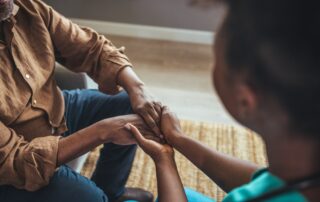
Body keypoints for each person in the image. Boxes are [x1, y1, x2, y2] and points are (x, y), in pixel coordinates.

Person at [126, 0, 320, 201]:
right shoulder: (300, 167)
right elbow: (264, 181)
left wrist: (163, 160)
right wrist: (178, 138)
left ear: (245, 100)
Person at [0, 0, 162, 202]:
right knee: (90, 197)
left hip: (55, 113)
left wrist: (138, 88)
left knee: (128, 102)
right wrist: (102, 132)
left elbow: (90, 47)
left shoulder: (25, 7)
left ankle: (112, 193)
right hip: (12, 167)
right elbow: (15, 161)